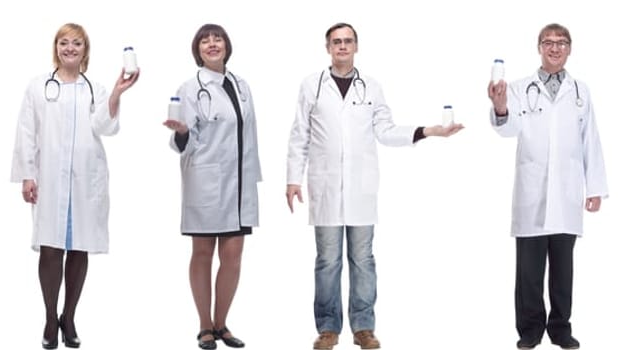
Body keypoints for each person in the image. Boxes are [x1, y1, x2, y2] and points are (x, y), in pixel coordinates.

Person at [286, 22, 463, 350]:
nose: (342, 46)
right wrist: (293, 178)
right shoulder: (311, 85)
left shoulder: (372, 87)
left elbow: (386, 131)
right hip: (324, 186)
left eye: (348, 41)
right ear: (327, 47)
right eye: (336, 42)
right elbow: (300, 135)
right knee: (327, 260)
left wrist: (427, 131)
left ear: (356, 46)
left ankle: (364, 327)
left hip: (360, 189)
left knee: (363, 259)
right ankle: (328, 329)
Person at [10, 22, 136, 350]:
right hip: (50, 179)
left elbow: (105, 128)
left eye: (76, 44)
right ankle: (51, 319)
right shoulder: (38, 86)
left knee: (79, 248)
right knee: (51, 249)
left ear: (85, 50)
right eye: (64, 43)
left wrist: (117, 94)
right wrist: (27, 175)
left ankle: (70, 316)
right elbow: (26, 131)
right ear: (56, 48)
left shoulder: (93, 87)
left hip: (85, 179)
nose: (70, 48)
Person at [485, 23, 606, 350]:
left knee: (563, 271)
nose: (555, 48)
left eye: (562, 43)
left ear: (570, 48)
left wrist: (594, 187)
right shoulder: (520, 88)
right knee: (529, 271)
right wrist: (499, 105)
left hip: (567, 194)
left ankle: (560, 328)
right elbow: (508, 129)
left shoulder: (581, 92)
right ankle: (530, 330)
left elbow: (589, 140)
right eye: (549, 43)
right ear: (539, 47)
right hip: (532, 192)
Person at [160, 24, 252, 350]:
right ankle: (204, 327)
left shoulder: (241, 86)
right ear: (197, 50)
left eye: (217, 38)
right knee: (202, 253)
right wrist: (183, 130)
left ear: (227, 45)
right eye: (204, 40)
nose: (212, 44)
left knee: (233, 257)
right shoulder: (189, 88)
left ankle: (222, 324)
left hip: (239, 184)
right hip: (205, 181)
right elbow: (182, 139)